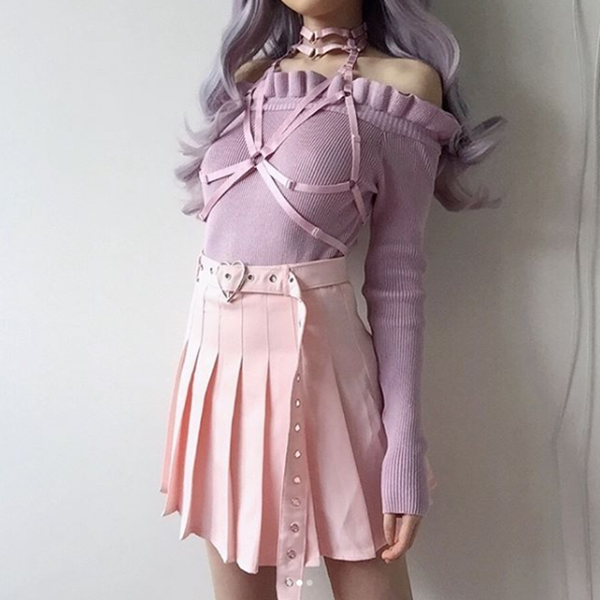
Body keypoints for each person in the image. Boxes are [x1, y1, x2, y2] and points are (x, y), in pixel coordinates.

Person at [159, 1, 506, 599]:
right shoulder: (246, 79)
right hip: (217, 372)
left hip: (323, 370)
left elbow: (396, 278)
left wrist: (404, 449)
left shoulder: (403, 85)